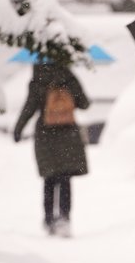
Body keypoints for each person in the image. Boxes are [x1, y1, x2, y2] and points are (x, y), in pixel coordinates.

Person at [14, 63, 90, 237]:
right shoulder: (68, 77)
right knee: (65, 179)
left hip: (46, 135)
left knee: (49, 179)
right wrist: (71, 83)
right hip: (67, 134)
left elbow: (29, 108)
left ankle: (49, 220)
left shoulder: (38, 79)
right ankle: (64, 219)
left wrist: (18, 129)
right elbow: (84, 103)